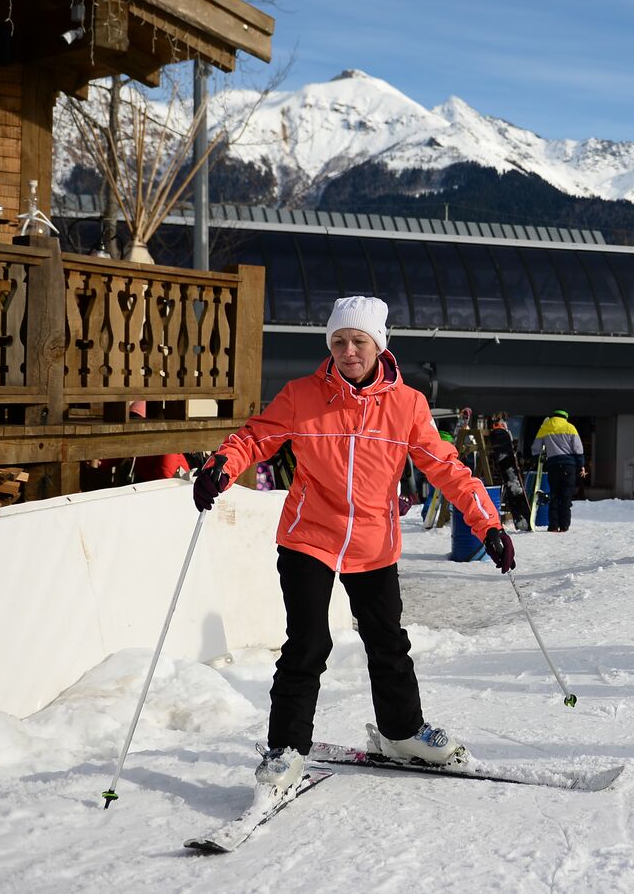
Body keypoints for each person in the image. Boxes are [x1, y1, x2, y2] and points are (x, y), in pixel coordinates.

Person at [192, 296, 517, 793]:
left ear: (378, 345)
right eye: (339, 341)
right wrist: (222, 466)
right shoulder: (302, 396)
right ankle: (286, 749)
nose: (348, 351)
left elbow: (447, 468)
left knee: (388, 643)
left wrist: (487, 524)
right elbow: (255, 439)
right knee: (307, 643)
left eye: (358, 341)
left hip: (372, 542)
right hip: (309, 536)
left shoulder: (408, 405)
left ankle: (402, 733)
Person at [531, 408, 586, 532]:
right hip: (568, 466)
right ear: (565, 417)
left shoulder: (545, 427)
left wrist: (537, 458)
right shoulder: (570, 427)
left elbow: (536, 448)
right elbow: (578, 448)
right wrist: (581, 464)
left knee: (554, 495)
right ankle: (564, 525)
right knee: (566, 496)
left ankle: (553, 525)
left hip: (553, 466)